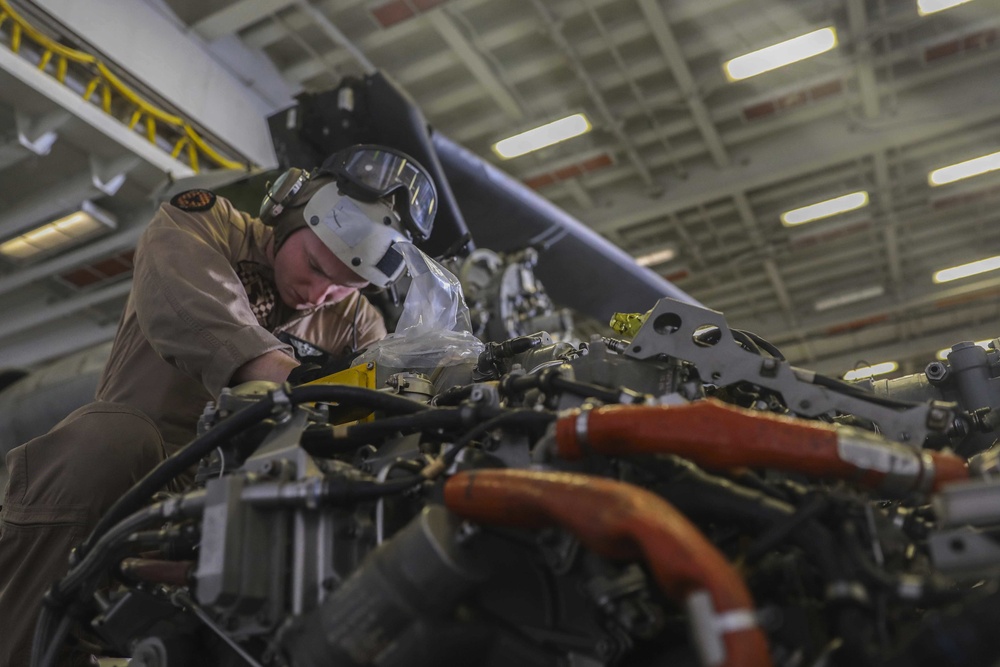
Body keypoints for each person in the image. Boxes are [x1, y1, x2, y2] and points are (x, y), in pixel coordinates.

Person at [0, 144, 438, 666]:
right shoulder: (205, 225)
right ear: (288, 212)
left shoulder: (358, 322)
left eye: (343, 287)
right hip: (128, 476)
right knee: (110, 441)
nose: (319, 292)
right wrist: (291, 374)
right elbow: (189, 304)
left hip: (245, 499)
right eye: (316, 264)